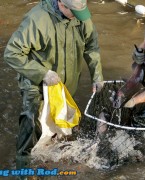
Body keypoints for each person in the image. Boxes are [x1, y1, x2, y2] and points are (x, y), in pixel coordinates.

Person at [4, 0, 103, 168]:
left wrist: (97, 75)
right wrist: (43, 73)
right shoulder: (37, 19)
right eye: (74, 13)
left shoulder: (80, 14)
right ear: (61, 3)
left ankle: (56, 153)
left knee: (62, 121)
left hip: (65, 83)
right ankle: (23, 164)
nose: (78, 18)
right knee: (31, 119)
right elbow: (11, 53)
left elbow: (91, 47)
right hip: (36, 81)